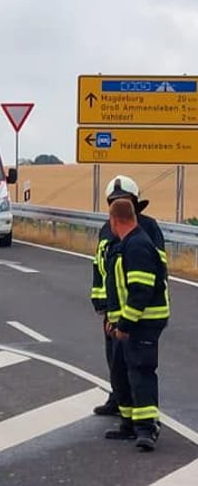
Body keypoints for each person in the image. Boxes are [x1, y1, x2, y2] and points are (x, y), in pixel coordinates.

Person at [90, 175, 166, 416]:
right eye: (114, 200)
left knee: (137, 364)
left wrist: (134, 308)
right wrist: (101, 302)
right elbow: (100, 266)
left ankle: (141, 416)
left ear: (135, 201)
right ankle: (119, 400)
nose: (118, 203)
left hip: (139, 310)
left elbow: (155, 270)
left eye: (123, 200)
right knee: (115, 361)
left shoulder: (148, 228)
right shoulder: (106, 229)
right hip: (113, 309)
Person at [102, 198, 169, 451]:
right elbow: (120, 289)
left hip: (145, 321)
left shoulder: (138, 246)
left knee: (141, 372)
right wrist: (113, 318)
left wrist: (126, 324)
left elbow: (140, 291)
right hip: (129, 321)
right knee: (121, 371)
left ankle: (146, 428)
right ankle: (129, 424)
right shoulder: (126, 244)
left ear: (114, 220)